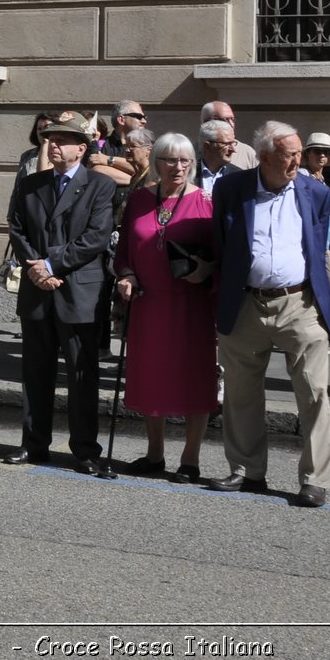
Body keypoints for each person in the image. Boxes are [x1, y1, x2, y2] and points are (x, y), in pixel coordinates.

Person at [207, 121, 330, 508]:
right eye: (288, 155)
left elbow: (318, 244)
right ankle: (248, 471)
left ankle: (315, 480)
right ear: (263, 157)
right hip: (246, 303)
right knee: (242, 394)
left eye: (299, 154)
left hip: (300, 304)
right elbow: (221, 243)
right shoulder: (231, 189)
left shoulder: (315, 192)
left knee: (313, 392)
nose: (297, 161)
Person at [4, 110, 116, 474]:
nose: (52, 144)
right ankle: (34, 443)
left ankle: (84, 449)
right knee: (36, 372)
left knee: (82, 374)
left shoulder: (100, 186)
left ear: (81, 149)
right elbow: (17, 230)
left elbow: (95, 238)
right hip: (37, 292)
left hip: (78, 293)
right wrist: (36, 267)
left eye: (61, 140)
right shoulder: (30, 185)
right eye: (50, 139)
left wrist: (51, 266)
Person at [112, 133, 218, 481]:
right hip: (148, 303)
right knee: (150, 374)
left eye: (185, 160)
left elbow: (222, 255)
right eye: (170, 160)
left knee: (194, 376)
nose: (178, 167)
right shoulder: (140, 199)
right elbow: (124, 251)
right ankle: (154, 454)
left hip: (192, 305)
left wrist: (206, 270)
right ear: (156, 163)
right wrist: (126, 275)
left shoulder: (205, 200)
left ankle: (190, 459)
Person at [88, 101, 147, 180]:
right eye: (139, 117)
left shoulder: (147, 146)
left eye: (144, 117)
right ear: (121, 119)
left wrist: (108, 160)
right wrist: (135, 178)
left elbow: (145, 169)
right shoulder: (100, 145)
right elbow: (97, 170)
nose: (144, 121)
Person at [200, 101, 259, 169]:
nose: (231, 124)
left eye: (232, 119)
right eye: (226, 120)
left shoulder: (247, 153)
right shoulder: (190, 153)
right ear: (207, 122)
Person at [196, 119, 241, 197]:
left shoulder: (239, 176)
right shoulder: (189, 173)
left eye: (233, 143)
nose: (233, 149)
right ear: (207, 146)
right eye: (227, 144)